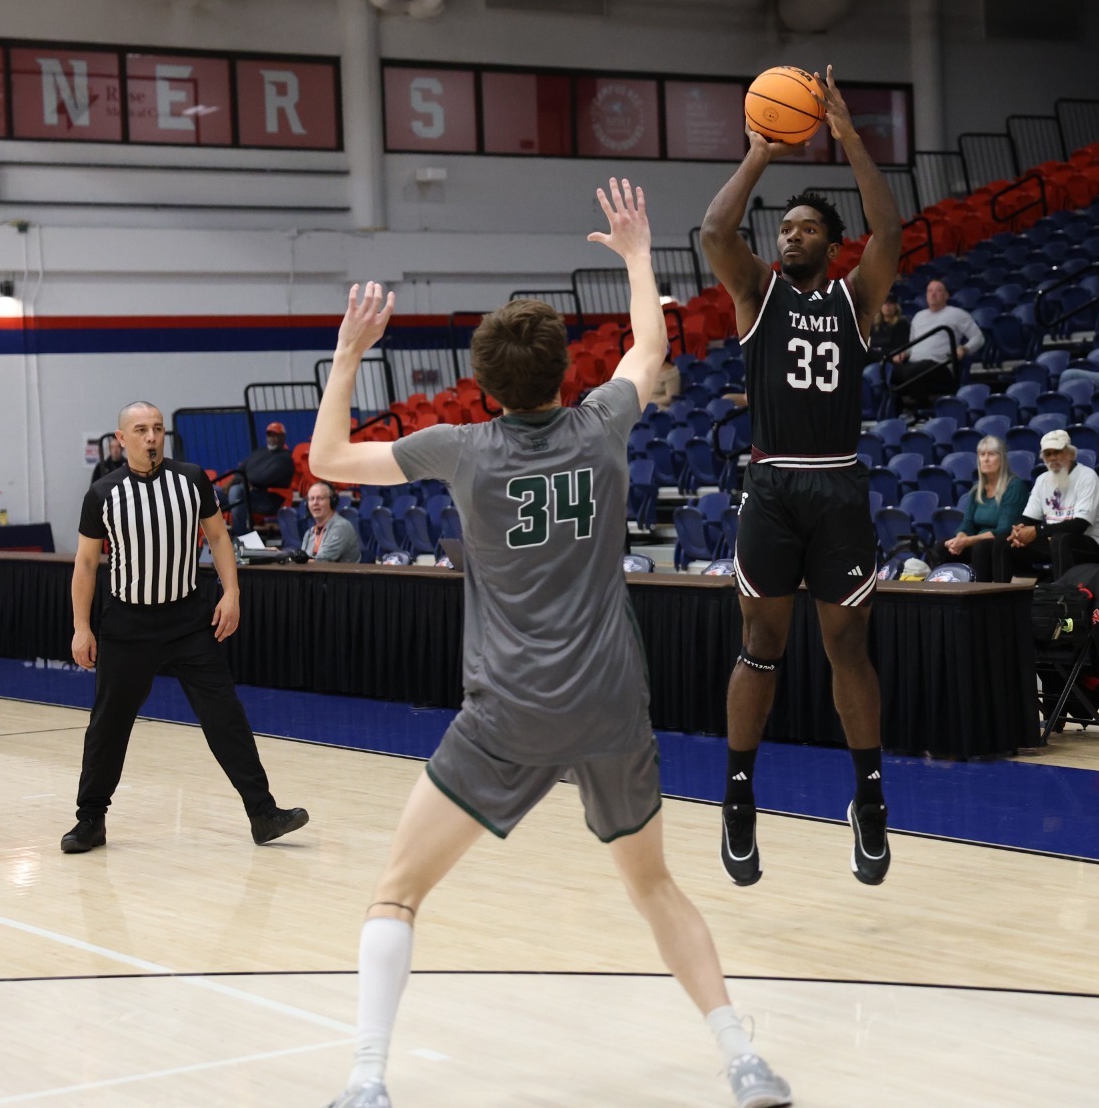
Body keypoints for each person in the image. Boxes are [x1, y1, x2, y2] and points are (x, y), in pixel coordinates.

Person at [312, 181, 791, 1108]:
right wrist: (638, 252)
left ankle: (366, 1080)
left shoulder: (459, 448)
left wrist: (348, 357)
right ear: (565, 373)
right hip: (609, 703)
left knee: (397, 891)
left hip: (508, 713)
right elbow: (650, 347)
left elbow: (329, 459)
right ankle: (743, 1061)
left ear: (486, 386)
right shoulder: (602, 423)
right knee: (655, 887)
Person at [700, 66, 902, 890]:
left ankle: (870, 797)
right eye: (783, 227)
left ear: (830, 241)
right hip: (774, 485)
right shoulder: (758, 292)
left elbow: (889, 231)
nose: (790, 235)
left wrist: (848, 136)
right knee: (762, 644)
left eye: (806, 227)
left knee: (847, 644)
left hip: (838, 484)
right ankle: (738, 795)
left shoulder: (857, 299)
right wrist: (759, 152)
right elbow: (715, 232)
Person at [63, 401, 308, 855]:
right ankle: (90, 819)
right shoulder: (102, 493)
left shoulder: (192, 479)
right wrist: (81, 627)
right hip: (127, 624)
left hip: (187, 621)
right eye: (141, 430)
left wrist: (231, 593)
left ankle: (263, 813)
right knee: (108, 725)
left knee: (225, 716)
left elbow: (217, 537)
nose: (151, 437)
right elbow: (86, 563)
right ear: (122, 439)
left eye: (157, 428)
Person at [1006, 430, 1099, 580]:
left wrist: (1038, 531)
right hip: (1055, 540)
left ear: (1070, 454)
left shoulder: (1088, 477)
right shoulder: (1042, 480)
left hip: (1094, 543)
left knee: (1060, 539)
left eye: (1057, 452)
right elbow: (1029, 518)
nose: (1052, 458)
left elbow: (1080, 525)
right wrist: (1018, 530)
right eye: (1048, 454)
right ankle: (996, 592)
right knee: (1003, 541)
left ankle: (1061, 592)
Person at [934, 436, 1028, 582]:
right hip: (978, 542)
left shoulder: (1014, 487)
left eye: (991, 454)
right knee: (942, 546)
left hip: (1004, 544)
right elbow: (967, 524)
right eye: (982, 455)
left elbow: (1004, 530)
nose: (985, 459)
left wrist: (967, 541)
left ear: (1002, 459)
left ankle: (981, 593)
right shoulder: (977, 489)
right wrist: (959, 539)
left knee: (981, 547)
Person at [898, 279, 984, 404]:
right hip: (914, 364)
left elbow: (978, 337)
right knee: (887, 372)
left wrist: (965, 349)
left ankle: (924, 407)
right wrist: (904, 353)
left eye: (938, 291)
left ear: (946, 295)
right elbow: (912, 345)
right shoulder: (918, 316)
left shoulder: (957, 314)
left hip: (940, 365)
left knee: (911, 372)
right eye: (929, 291)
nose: (933, 294)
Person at [228, 421, 298, 534]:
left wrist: (246, 478)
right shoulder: (259, 452)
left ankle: (240, 535)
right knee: (211, 491)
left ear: (283, 437)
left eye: (275, 435)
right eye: (269, 435)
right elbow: (241, 470)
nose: (271, 439)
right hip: (250, 494)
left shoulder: (285, 458)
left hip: (269, 500)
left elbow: (262, 478)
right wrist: (243, 480)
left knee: (237, 491)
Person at [303, 480, 361, 562]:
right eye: (311, 499)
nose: (315, 503)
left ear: (332, 501)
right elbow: (302, 561)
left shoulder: (341, 527)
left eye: (320, 498)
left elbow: (321, 561)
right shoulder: (309, 533)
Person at [869, 295, 910, 361]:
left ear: (896, 306)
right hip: (875, 358)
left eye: (890, 303)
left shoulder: (902, 323)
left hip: (892, 359)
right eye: (884, 303)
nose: (887, 306)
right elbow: (872, 347)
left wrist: (880, 350)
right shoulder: (875, 324)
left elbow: (899, 347)